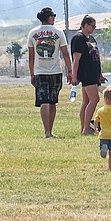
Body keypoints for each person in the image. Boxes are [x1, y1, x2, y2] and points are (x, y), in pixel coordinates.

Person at [26, 7, 73, 138]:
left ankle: (47, 131)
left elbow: (31, 57)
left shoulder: (32, 33)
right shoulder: (58, 32)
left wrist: (32, 74)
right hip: (56, 71)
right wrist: (70, 70)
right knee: (52, 101)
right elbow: (65, 53)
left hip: (40, 71)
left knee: (44, 100)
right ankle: (50, 131)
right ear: (50, 17)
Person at [71, 15, 105, 135]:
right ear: (85, 25)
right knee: (95, 99)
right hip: (86, 73)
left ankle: (84, 128)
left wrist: (100, 74)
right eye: (92, 25)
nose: (94, 28)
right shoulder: (79, 38)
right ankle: (86, 128)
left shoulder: (91, 38)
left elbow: (96, 57)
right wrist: (74, 75)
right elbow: (76, 59)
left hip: (94, 73)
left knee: (86, 101)